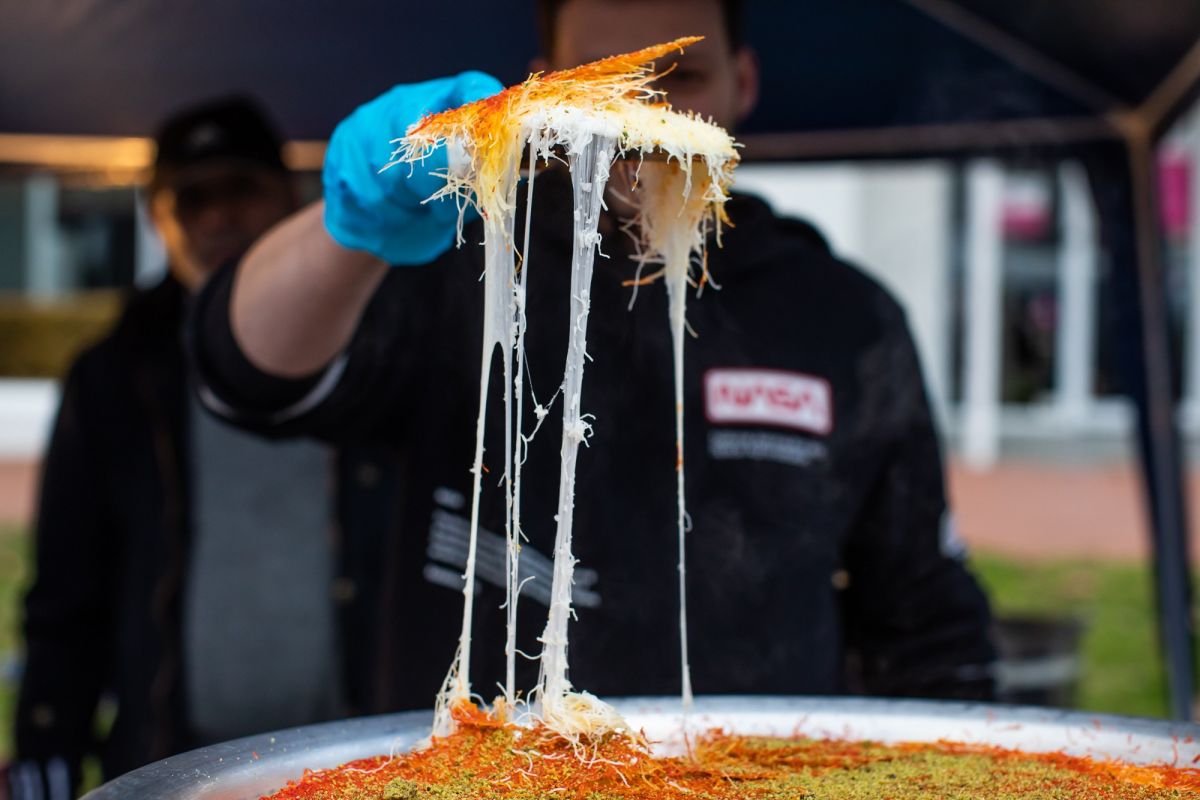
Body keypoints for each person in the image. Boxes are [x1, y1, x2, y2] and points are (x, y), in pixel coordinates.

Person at [189, 0, 996, 716]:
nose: (641, 118)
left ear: (742, 84)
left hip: (753, 769)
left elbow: (926, 624)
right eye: (600, 84)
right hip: (483, 769)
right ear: (543, 89)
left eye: (681, 78)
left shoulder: (844, 318)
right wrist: (352, 226)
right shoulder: (465, 258)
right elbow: (249, 376)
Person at [12, 97, 399, 798]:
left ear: (290, 196)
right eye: (192, 199)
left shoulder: (376, 344)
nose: (218, 216)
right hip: (174, 753)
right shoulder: (115, 375)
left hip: (360, 752)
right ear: (158, 220)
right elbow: (69, 586)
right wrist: (47, 742)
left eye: (241, 190)